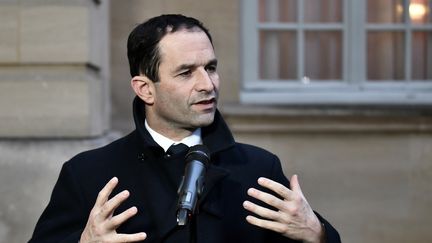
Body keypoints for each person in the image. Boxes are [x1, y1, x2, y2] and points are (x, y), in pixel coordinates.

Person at [29, 14, 341, 243]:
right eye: (186, 73)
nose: (208, 85)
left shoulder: (258, 168)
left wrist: (318, 235)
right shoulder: (88, 173)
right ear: (145, 89)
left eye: (211, 68)